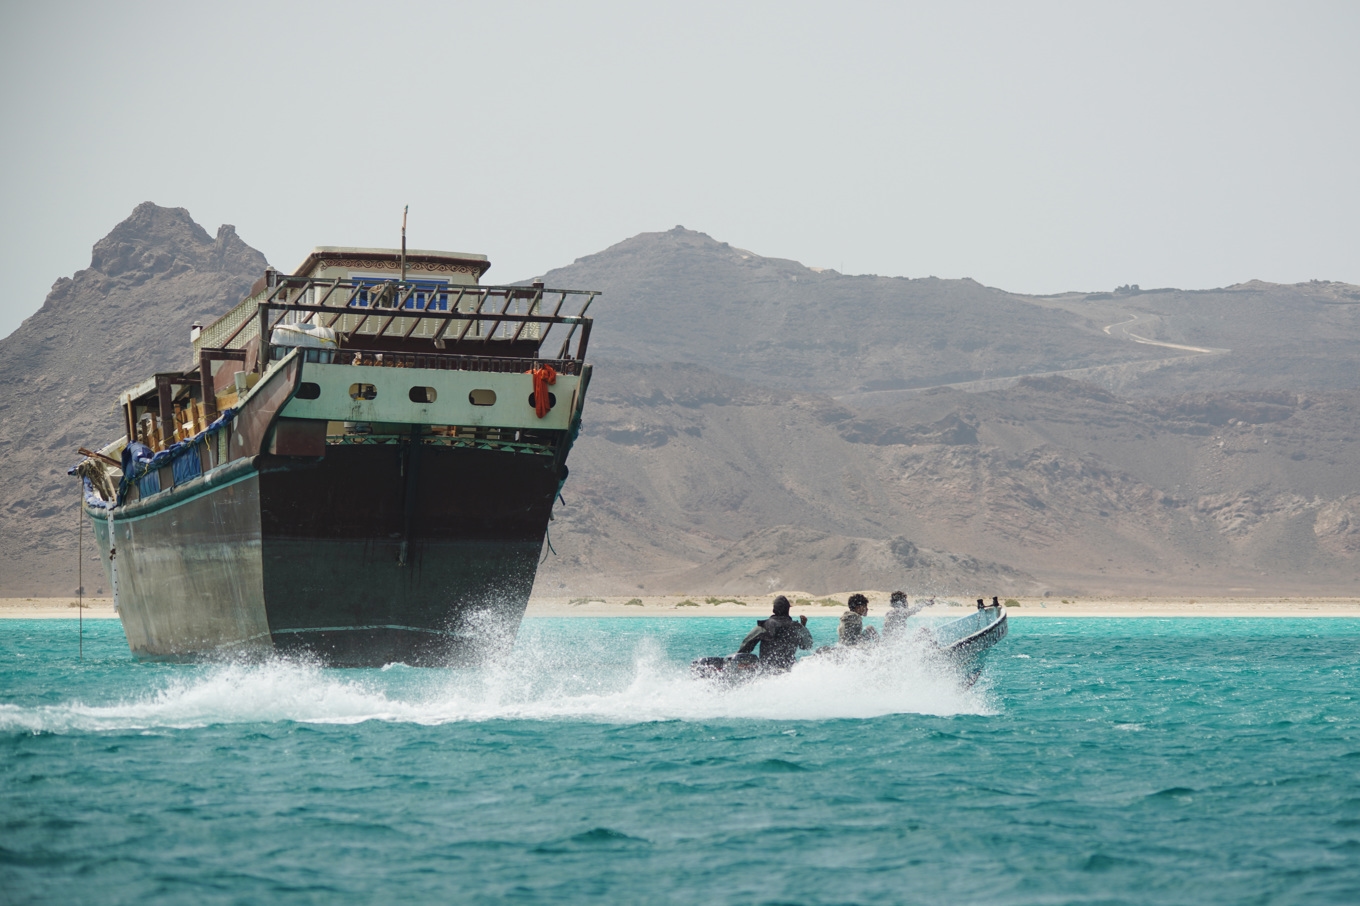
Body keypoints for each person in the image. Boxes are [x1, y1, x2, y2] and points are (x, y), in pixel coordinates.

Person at [736, 595, 813, 670]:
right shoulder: (798, 627)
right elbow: (807, 646)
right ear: (788, 609)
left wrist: (737, 657)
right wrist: (803, 626)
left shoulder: (765, 626)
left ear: (774, 609)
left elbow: (745, 645)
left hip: (768, 670)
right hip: (789, 670)